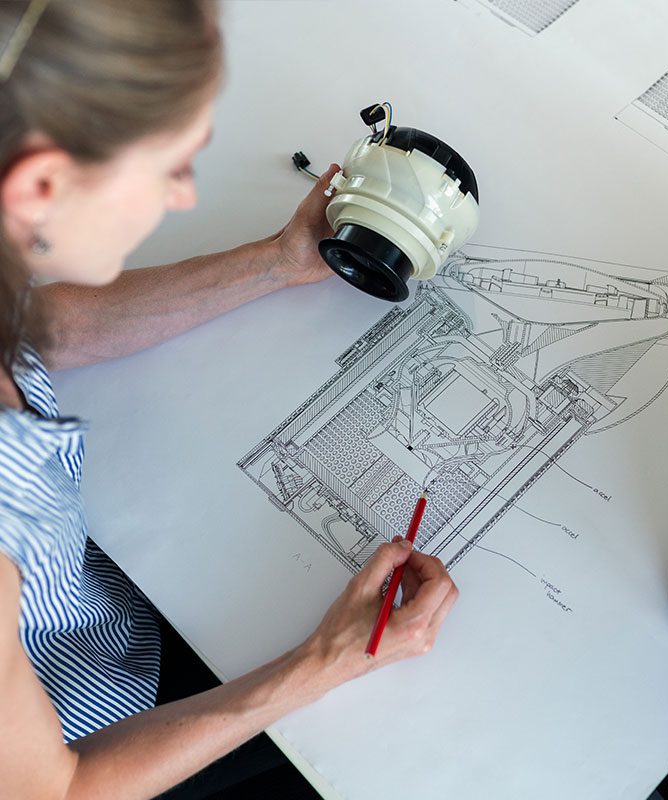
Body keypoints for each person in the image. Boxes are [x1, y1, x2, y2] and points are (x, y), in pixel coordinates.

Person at [0, 2, 459, 798]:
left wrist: (279, 261)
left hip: (102, 611)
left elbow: (43, 327)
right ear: (39, 183)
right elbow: (57, 790)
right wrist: (326, 661)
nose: (184, 196)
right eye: (169, 167)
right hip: (92, 737)